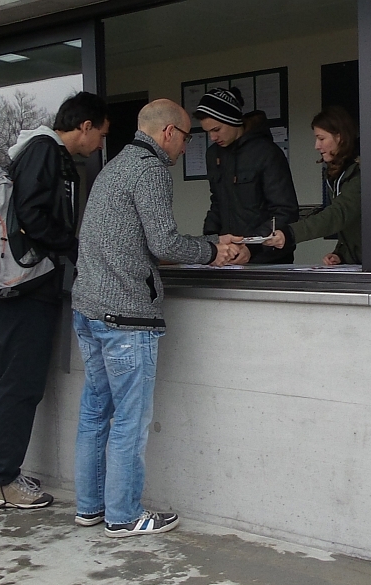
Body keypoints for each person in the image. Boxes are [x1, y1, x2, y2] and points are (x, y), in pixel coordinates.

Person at [71, 99, 243, 537]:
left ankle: (90, 507)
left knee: (95, 411)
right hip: (126, 316)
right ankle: (124, 516)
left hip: (89, 308)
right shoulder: (150, 170)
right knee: (130, 418)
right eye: (187, 137)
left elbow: (130, 240)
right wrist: (212, 251)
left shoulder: (114, 166)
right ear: (168, 133)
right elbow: (163, 241)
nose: (187, 147)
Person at [0, 92, 109, 511]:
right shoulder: (46, 151)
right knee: (21, 382)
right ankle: (2, 481)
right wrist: (74, 247)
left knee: (5, 378)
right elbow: (32, 214)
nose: (100, 145)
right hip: (29, 284)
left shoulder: (36, 149)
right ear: (84, 126)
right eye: (100, 134)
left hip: (18, 285)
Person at [196, 87, 299, 264]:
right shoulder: (214, 154)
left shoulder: (266, 152)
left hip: (267, 257)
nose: (212, 137)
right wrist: (211, 244)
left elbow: (285, 211)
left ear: (233, 120)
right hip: (228, 255)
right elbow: (217, 202)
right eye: (208, 132)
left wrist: (252, 247)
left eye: (217, 129)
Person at [263, 106, 362, 265]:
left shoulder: (361, 172)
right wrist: (341, 254)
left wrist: (290, 234)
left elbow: (338, 214)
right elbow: (353, 225)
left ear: (340, 137)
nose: (317, 146)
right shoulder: (338, 172)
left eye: (321, 139)